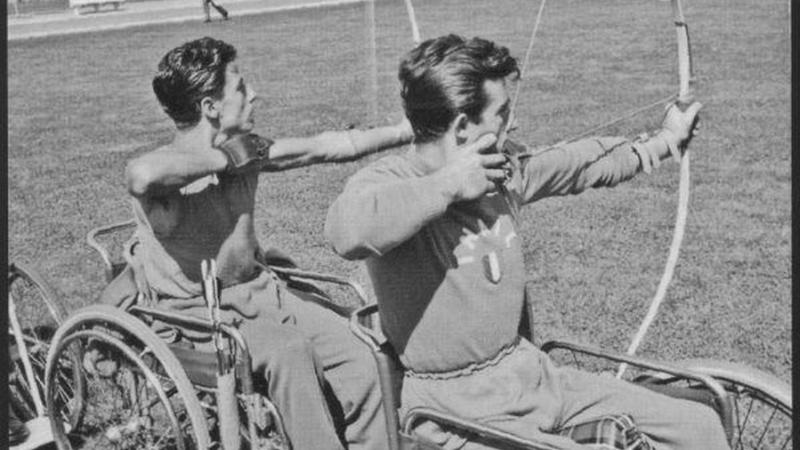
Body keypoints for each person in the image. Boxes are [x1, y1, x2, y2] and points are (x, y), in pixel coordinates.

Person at [324, 34, 728, 450]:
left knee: (699, 427)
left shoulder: (501, 171)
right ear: (463, 127)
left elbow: (576, 164)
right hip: (453, 412)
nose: (511, 123)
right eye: (501, 113)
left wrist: (664, 141)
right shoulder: (390, 180)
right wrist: (448, 186)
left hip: (531, 376)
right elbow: (346, 231)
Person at [102, 36, 414, 450]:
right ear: (210, 108)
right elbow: (140, 174)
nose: (255, 95)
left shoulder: (248, 150)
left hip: (264, 296)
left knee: (362, 353)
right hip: (197, 321)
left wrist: (410, 129)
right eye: (241, 88)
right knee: (288, 351)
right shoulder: (173, 178)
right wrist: (227, 160)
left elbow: (330, 146)